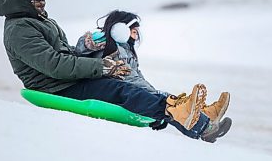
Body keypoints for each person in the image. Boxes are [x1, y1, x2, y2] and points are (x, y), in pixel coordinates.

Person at [0, 0, 226, 141]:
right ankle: (198, 123)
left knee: (126, 89)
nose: (43, 2)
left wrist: (86, 49)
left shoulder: (41, 21)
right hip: (55, 87)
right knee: (120, 90)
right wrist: (102, 66)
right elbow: (54, 65)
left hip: (65, 81)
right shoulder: (20, 30)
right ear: (22, 0)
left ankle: (201, 122)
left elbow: (65, 56)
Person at [74, 10, 232, 142]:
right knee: (171, 104)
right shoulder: (107, 46)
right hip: (115, 93)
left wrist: (154, 91)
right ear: (119, 30)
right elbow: (125, 79)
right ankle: (204, 128)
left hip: (130, 89)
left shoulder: (125, 50)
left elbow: (137, 77)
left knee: (170, 99)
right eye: (133, 31)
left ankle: (206, 117)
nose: (136, 36)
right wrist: (154, 94)